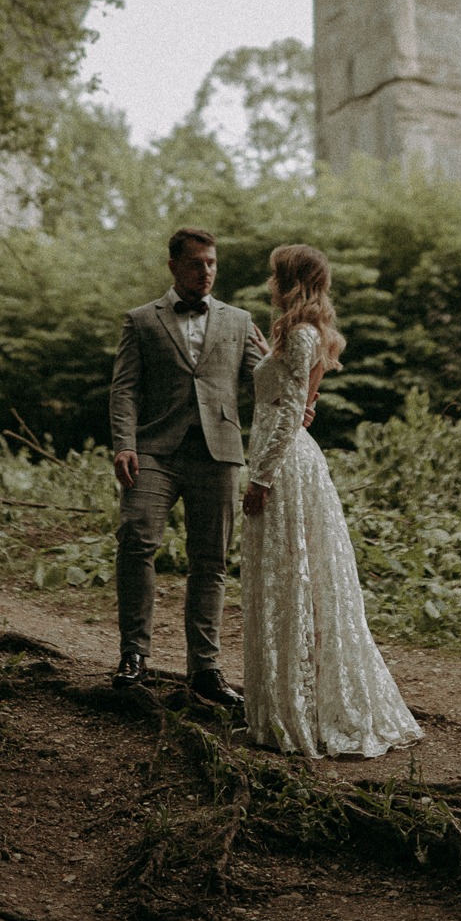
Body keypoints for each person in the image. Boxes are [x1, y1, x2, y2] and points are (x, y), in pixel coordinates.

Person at [241, 243, 422, 759]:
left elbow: (292, 407)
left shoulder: (300, 335)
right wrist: (264, 352)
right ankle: (288, 704)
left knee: (291, 577)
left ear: (289, 281)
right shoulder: (298, 336)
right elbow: (295, 399)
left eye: (274, 275)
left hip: (283, 469)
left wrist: (261, 479)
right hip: (288, 458)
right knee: (290, 576)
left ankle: (298, 712)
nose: (268, 283)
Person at [110, 225, 267, 708]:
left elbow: (265, 384)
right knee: (136, 540)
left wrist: (289, 362)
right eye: (197, 263)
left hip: (218, 453)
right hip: (154, 450)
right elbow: (124, 389)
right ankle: (134, 654)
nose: (206, 272)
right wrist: (124, 443)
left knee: (211, 562)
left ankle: (205, 670)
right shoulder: (140, 320)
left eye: (212, 263)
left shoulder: (239, 321)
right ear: (174, 265)